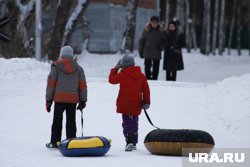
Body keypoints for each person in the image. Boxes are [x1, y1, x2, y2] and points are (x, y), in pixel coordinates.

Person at [45, 46, 87, 148]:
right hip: (72, 100)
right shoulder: (78, 68)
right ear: (72, 55)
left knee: (57, 121)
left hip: (59, 99)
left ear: (61, 54)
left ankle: (55, 142)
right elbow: (82, 85)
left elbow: (51, 84)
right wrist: (83, 100)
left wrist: (48, 100)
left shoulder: (56, 67)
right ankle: (71, 142)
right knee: (71, 121)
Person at [109, 51, 150, 151]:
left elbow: (111, 80)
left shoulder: (122, 74)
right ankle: (134, 142)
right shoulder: (141, 76)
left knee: (127, 123)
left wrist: (115, 68)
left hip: (125, 104)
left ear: (123, 65)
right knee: (134, 123)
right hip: (136, 104)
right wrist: (146, 102)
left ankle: (129, 141)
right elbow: (146, 90)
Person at [139, 16, 165, 80]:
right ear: (150, 22)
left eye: (156, 22)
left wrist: (161, 47)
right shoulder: (146, 30)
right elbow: (141, 41)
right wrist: (141, 51)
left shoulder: (161, 31)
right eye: (153, 22)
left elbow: (165, 41)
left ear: (158, 23)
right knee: (147, 66)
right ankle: (148, 79)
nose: (154, 24)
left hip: (157, 51)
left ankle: (154, 79)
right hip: (148, 51)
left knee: (156, 67)